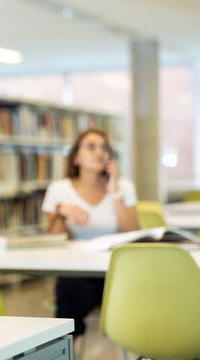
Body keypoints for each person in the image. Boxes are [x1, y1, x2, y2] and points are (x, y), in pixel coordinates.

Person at [41, 128, 139, 337]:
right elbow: (51, 241)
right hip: (77, 273)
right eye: (91, 147)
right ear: (76, 157)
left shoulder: (124, 188)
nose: (100, 152)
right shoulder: (59, 189)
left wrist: (114, 193)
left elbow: (133, 234)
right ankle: (66, 349)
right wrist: (60, 213)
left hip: (117, 274)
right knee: (71, 291)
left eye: (104, 148)